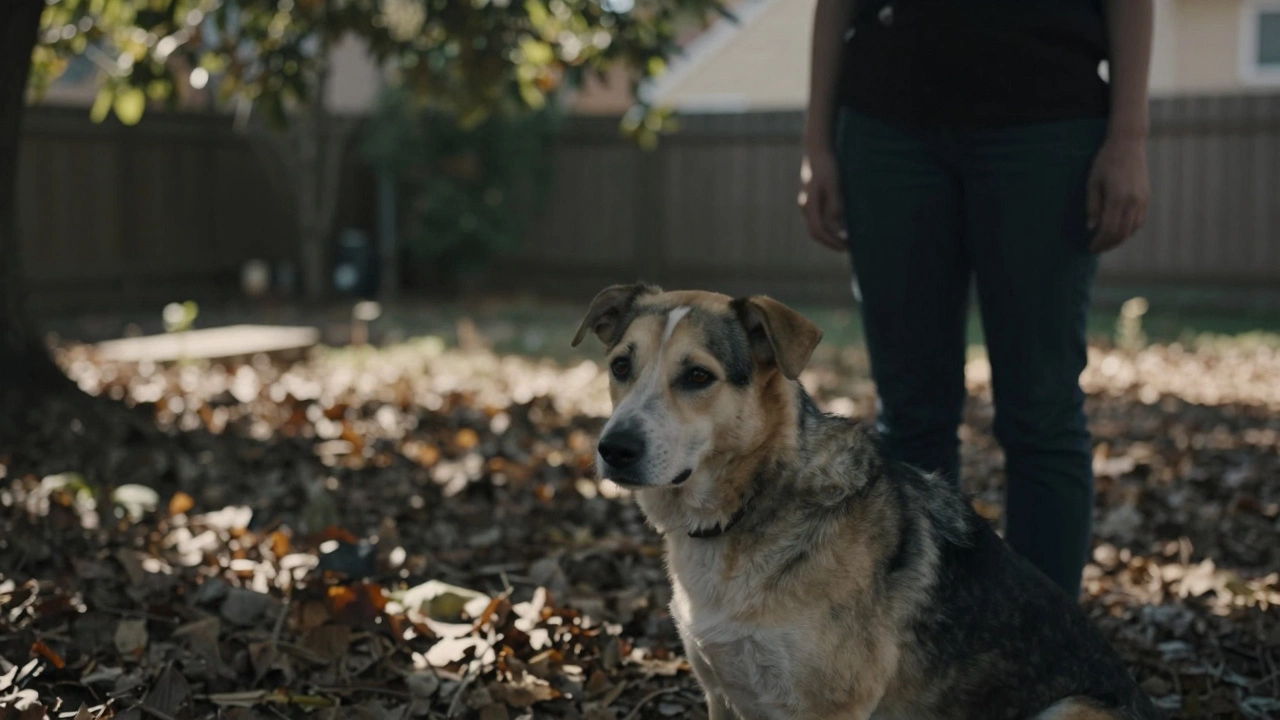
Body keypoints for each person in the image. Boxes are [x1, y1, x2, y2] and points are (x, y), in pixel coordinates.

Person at [799, 0, 1152, 598]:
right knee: (911, 414)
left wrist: (1129, 137)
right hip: (887, 124)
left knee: (1042, 411)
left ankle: (1047, 651)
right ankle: (926, 637)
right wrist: (816, 145)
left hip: (1049, 126)